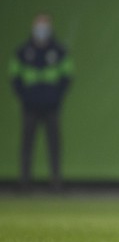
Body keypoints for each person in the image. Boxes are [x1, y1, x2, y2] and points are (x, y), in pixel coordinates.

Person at [9, 14, 73, 190]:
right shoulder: (23, 51)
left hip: (52, 106)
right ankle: (24, 182)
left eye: (44, 26)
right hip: (30, 106)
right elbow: (14, 77)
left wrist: (55, 96)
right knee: (27, 144)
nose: (41, 30)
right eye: (39, 25)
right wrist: (26, 96)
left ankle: (56, 181)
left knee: (54, 144)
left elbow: (67, 76)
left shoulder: (59, 51)